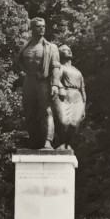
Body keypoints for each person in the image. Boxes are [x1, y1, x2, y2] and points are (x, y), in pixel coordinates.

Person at [17, 17, 61, 149]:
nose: (42, 28)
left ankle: (48, 141)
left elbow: (56, 67)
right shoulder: (25, 47)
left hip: (43, 82)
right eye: (38, 26)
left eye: (43, 26)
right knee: (29, 112)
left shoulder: (51, 47)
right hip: (29, 82)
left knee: (46, 111)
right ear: (32, 28)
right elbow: (19, 62)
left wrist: (55, 84)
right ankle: (34, 141)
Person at [52, 44, 86, 150]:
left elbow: (82, 88)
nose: (69, 51)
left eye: (69, 50)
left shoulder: (77, 70)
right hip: (64, 96)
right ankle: (61, 143)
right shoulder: (60, 67)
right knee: (63, 122)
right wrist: (61, 88)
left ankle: (67, 144)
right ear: (60, 54)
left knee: (74, 124)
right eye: (65, 50)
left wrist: (84, 104)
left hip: (77, 97)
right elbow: (55, 79)